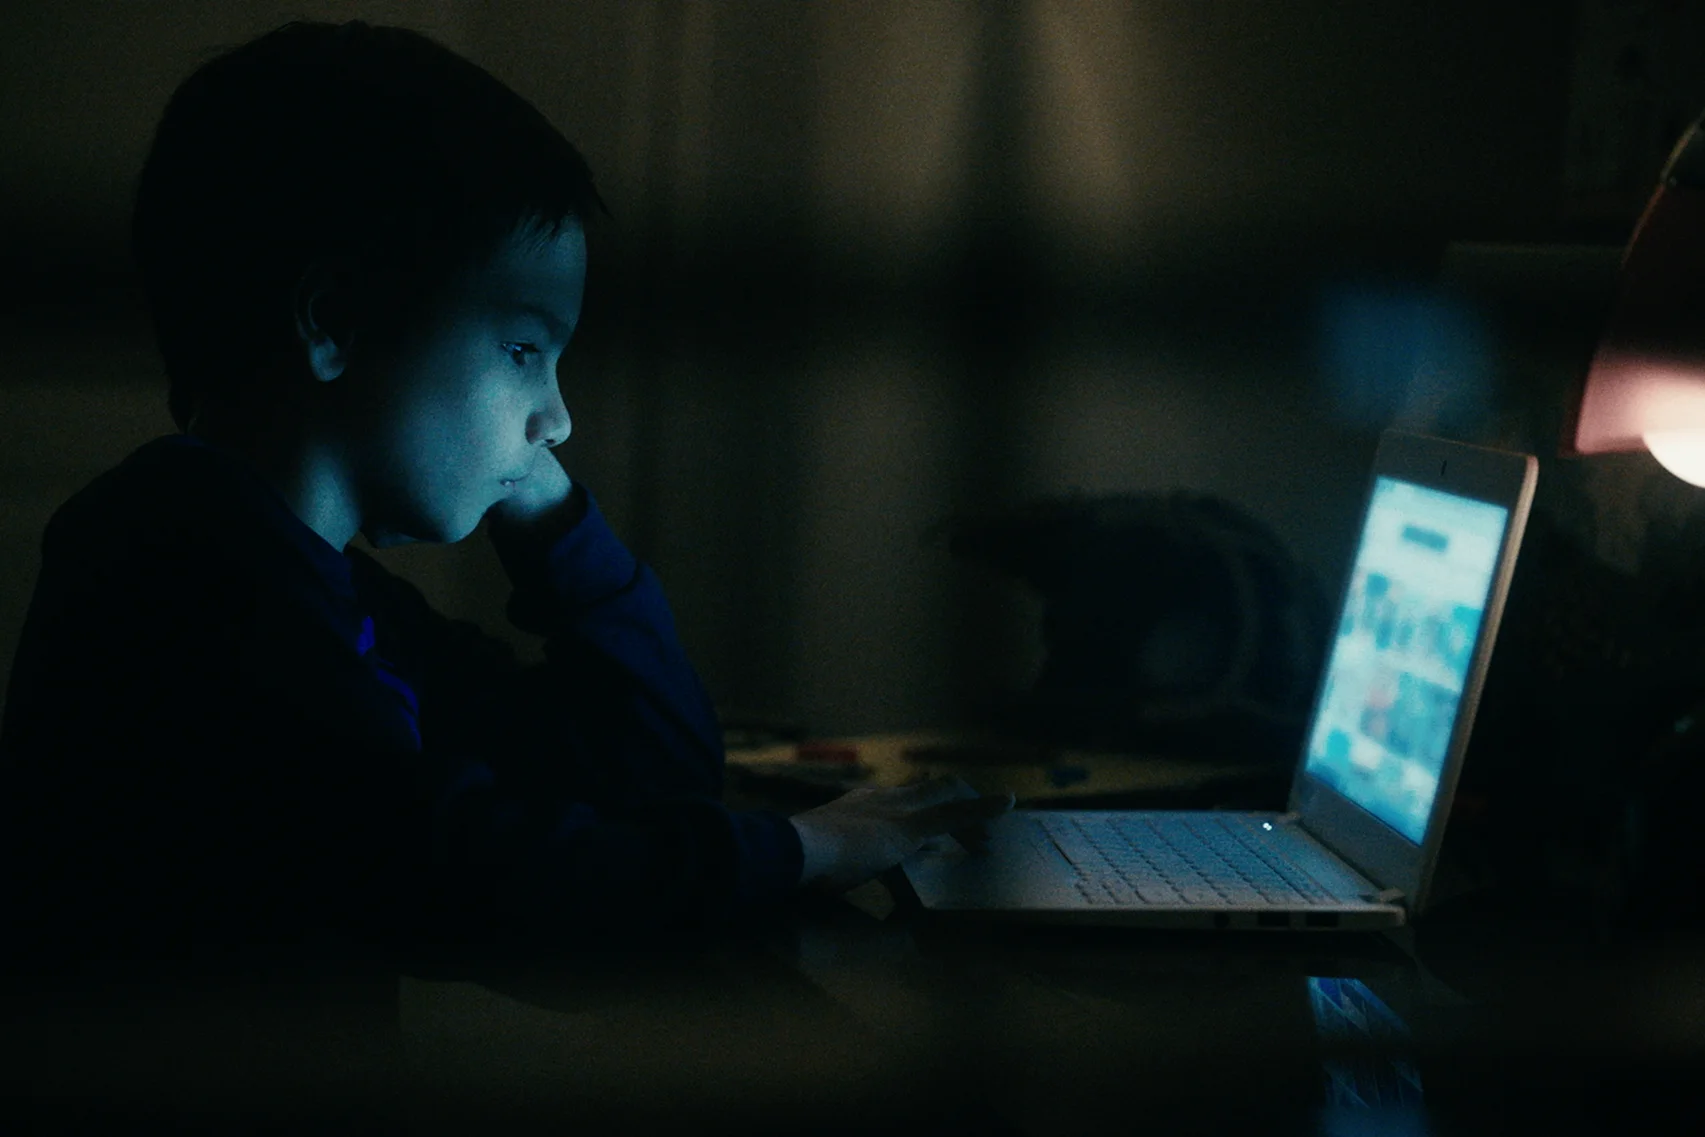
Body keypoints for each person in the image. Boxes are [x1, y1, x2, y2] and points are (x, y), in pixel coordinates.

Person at [0, 19, 1010, 977]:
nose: (558, 419)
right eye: (524, 350)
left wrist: (551, 518)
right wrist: (797, 852)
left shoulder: (339, 597)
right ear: (337, 322)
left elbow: (657, 766)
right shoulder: (172, 564)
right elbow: (466, 866)